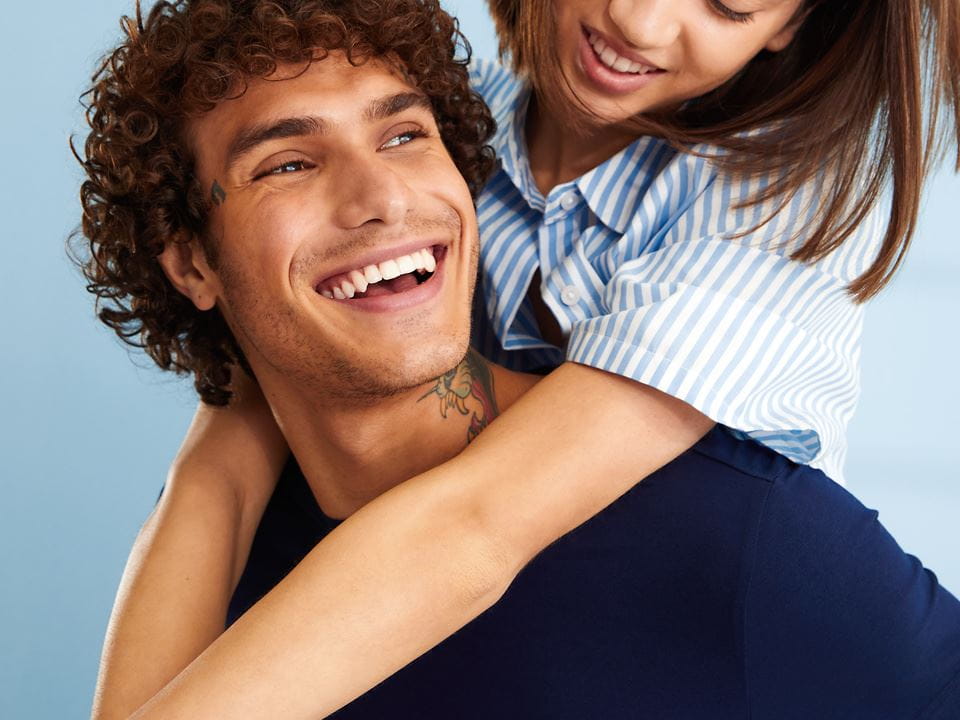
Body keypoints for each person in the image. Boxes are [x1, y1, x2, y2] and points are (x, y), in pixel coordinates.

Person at [76, 0, 960, 717]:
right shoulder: (478, 118)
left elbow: (477, 527)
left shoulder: (766, 231)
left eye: (728, 3)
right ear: (190, 261)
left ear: (793, 25)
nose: (642, 23)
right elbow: (225, 447)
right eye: (289, 165)